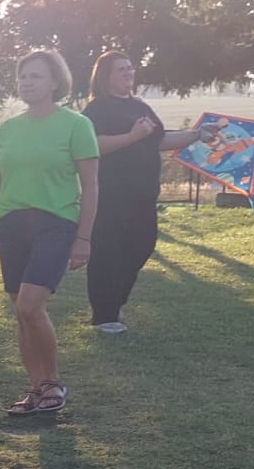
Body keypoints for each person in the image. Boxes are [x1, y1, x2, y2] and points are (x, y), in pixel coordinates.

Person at [0, 50, 99, 415]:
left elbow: (91, 185)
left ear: (55, 82)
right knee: (20, 313)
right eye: (22, 76)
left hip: (55, 222)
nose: (26, 82)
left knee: (30, 305)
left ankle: (53, 382)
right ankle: (35, 388)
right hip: (11, 224)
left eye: (35, 76)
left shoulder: (76, 125)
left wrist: (84, 238)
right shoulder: (8, 129)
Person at [81, 51, 212, 333]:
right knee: (108, 254)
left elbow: (159, 140)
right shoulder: (97, 109)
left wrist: (197, 134)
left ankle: (114, 302)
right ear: (105, 76)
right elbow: (91, 145)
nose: (128, 72)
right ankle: (105, 316)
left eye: (130, 68)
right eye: (120, 69)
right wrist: (132, 137)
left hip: (143, 196)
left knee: (142, 246)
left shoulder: (139, 106)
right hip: (110, 195)